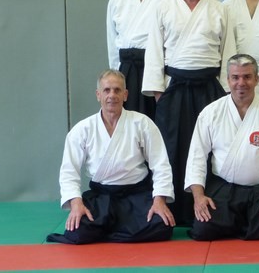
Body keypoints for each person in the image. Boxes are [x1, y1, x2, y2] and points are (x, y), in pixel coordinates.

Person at [141, 0, 236, 226]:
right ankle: (174, 208)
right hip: (175, 87)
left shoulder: (219, 9)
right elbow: (154, 51)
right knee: (172, 146)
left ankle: (210, 206)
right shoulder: (164, 8)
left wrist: (227, 90)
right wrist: (159, 91)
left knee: (211, 147)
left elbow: (228, 50)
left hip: (209, 87)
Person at [47, 70, 175, 244]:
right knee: (77, 232)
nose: (112, 95)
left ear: (125, 95)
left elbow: (161, 164)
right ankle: (122, 231)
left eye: (117, 90)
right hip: (102, 197)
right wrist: (76, 205)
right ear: (98, 95)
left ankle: (106, 231)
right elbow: (69, 171)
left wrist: (159, 200)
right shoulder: (82, 129)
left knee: (161, 225)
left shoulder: (142, 123)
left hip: (135, 196)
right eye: (107, 90)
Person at [185, 54, 259, 241]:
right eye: (235, 77)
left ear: (256, 79)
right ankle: (243, 224)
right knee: (203, 228)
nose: (241, 83)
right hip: (225, 189)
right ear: (227, 80)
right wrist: (199, 197)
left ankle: (237, 224)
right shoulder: (211, 112)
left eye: (247, 77)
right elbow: (196, 158)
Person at [106, 0, 174, 120]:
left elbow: (172, 44)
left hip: (155, 70)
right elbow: (112, 43)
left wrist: (166, 80)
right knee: (126, 123)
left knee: (155, 123)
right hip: (126, 70)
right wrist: (115, 77)